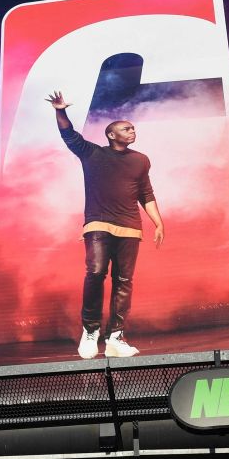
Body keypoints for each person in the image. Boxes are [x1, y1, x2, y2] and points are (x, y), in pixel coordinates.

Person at [47, 91, 166, 358]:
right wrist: (60, 111)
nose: (132, 131)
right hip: (98, 224)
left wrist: (158, 222)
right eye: (126, 128)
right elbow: (69, 135)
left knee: (124, 280)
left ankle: (115, 337)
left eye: (133, 128)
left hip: (130, 226)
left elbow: (146, 193)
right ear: (112, 134)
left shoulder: (141, 160)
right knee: (96, 272)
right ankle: (90, 331)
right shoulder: (92, 153)